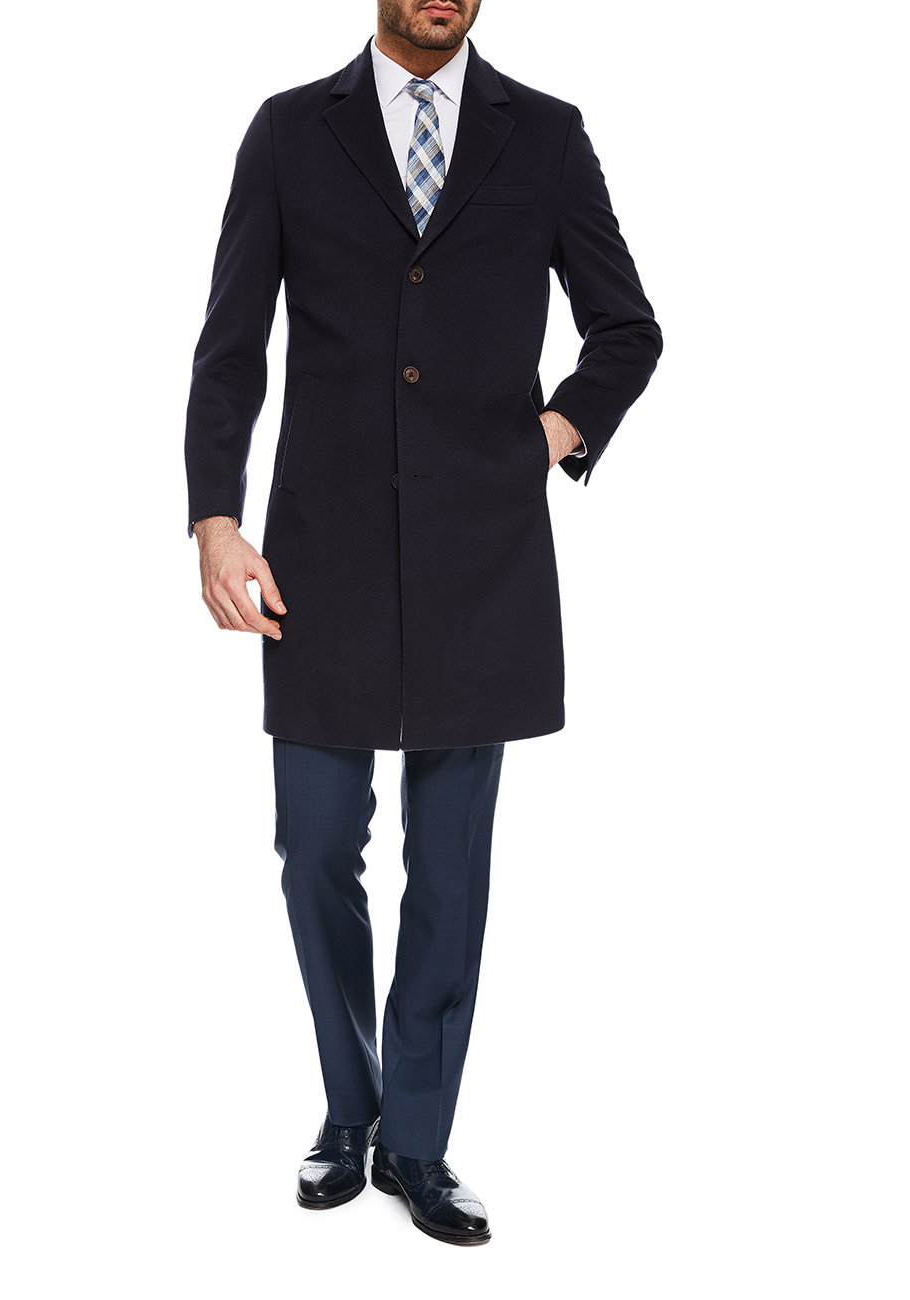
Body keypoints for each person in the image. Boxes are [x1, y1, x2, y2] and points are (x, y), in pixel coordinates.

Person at [184, 0, 661, 1247]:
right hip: (321, 555)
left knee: (448, 870)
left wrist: (548, 436)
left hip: (479, 560)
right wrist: (215, 519)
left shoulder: (543, 134)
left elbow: (627, 326)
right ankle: (350, 1107)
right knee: (313, 846)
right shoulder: (290, 131)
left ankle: (418, 1137)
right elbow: (230, 346)